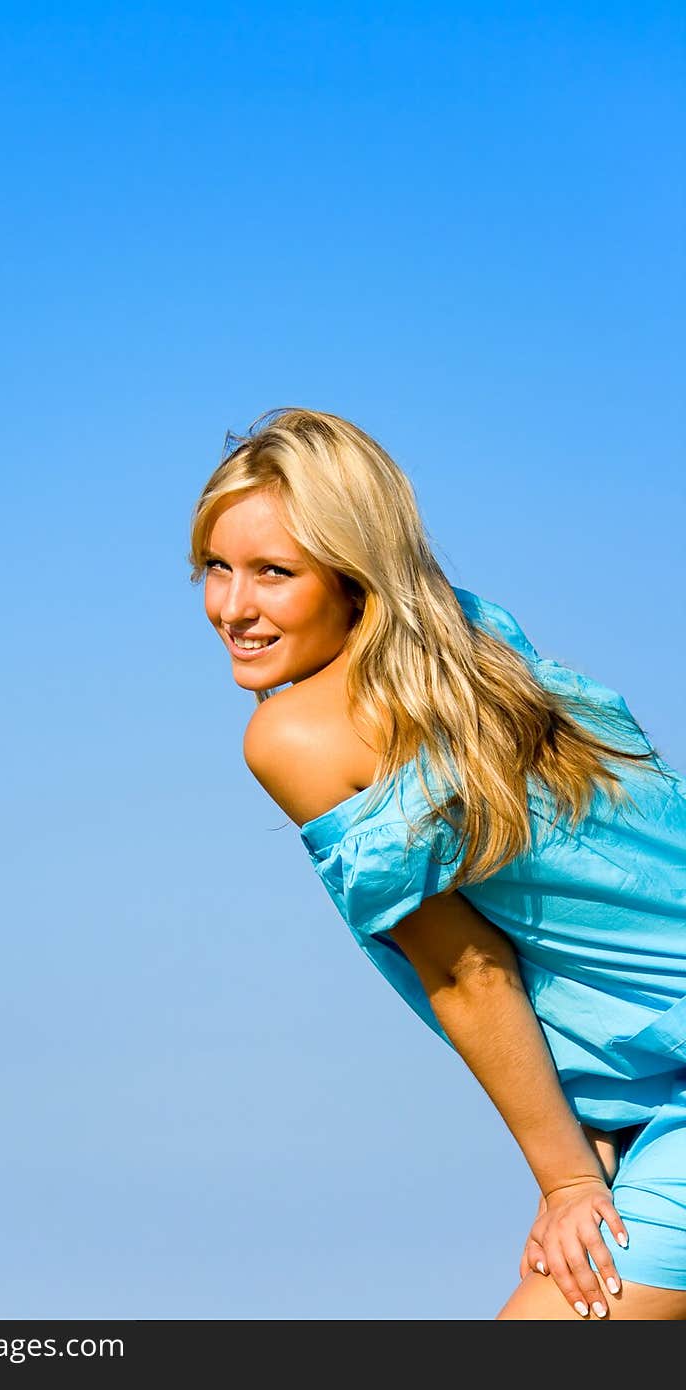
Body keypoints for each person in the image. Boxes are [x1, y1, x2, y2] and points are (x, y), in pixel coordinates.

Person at [187, 406, 686, 1321]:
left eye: (273, 573)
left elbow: (468, 970)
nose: (233, 608)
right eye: (217, 568)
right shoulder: (477, 641)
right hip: (650, 1101)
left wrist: (567, 1180)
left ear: (352, 577)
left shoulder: (297, 733)